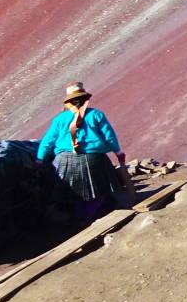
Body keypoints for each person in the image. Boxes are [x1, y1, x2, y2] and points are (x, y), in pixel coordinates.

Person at [36, 81, 126, 220]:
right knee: (99, 189)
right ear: (86, 100)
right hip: (94, 159)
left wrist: (40, 159)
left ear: (68, 103)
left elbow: (47, 141)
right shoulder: (96, 115)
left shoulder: (59, 119)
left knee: (67, 191)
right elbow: (110, 137)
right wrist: (118, 153)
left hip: (64, 160)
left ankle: (74, 218)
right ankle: (88, 215)